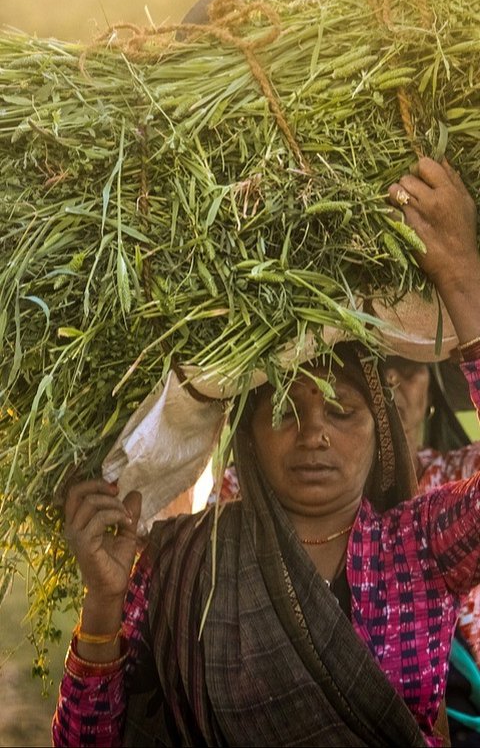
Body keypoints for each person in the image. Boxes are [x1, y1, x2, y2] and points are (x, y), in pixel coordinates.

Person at [52, 156, 480, 747]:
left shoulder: (418, 547)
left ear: (381, 429)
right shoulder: (174, 565)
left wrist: (460, 274)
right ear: (246, 436)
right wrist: (102, 602)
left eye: (341, 409)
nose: (314, 434)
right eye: (283, 410)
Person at [383, 355, 480, 745]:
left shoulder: (459, 474)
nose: (390, 387)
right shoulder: (257, 491)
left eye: (408, 370)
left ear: (431, 390)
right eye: (374, 371)